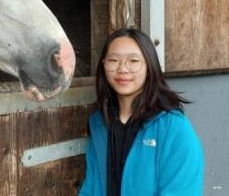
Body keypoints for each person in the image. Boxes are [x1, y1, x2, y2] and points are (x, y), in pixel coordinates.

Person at [79, 28, 204, 195]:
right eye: (113, 60)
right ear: (103, 65)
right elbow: (91, 188)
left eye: (133, 61)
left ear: (149, 66)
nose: (122, 69)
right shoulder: (99, 123)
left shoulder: (174, 128)